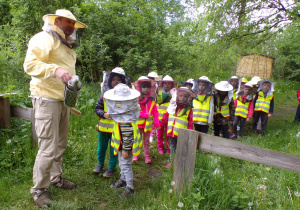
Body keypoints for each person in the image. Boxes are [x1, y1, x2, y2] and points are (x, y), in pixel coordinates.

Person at [23, 9, 87, 207]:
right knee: (48, 146)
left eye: (73, 24)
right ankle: (39, 190)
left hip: (63, 100)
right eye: (67, 22)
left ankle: (55, 178)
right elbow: (30, 65)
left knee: (60, 144)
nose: (71, 26)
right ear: (56, 21)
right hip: (45, 98)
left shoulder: (67, 46)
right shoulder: (44, 38)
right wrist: (55, 70)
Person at [104, 84, 142, 198]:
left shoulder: (126, 121)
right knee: (121, 163)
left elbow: (127, 136)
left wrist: (125, 149)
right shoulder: (124, 117)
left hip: (126, 147)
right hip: (122, 146)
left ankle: (130, 187)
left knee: (125, 165)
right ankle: (123, 180)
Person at [94, 67, 127, 178]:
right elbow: (97, 108)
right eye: (114, 79)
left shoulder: (125, 98)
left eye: (119, 80)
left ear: (123, 82)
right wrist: (104, 114)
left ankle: (111, 167)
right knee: (101, 147)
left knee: (114, 148)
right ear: (110, 81)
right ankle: (100, 164)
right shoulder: (105, 95)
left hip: (116, 129)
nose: (116, 82)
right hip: (103, 128)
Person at [132, 76, 160, 163]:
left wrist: (157, 123)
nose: (146, 89)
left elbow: (155, 112)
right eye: (144, 87)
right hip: (138, 124)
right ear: (140, 88)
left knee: (146, 141)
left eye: (148, 87)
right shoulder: (136, 100)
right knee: (137, 139)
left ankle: (146, 156)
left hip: (147, 125)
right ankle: (135, 155)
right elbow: (134, 111)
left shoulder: (152, 101)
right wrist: (144, 115)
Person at [166, 87, 195, 167]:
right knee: (172, 147)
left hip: (182, 134)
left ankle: (181, 162)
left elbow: (190, 122)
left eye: (185, 96)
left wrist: (190, 132)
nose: (183, 98)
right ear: (177, 96)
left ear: (188, 98)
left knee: (181, 148)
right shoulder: (172, 105)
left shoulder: (189, 109)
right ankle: (172, 162)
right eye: (181, 96)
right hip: (171, 131)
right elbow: (167, 115)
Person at [156, 75, 177, 154]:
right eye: (165, 83)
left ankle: (168, 148)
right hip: (159, 118)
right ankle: (160, 147)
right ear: (162, 84)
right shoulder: (158, 92)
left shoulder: (174, 93)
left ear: (171, 85)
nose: (167, 85)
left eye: (169, 83)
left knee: (168, 134)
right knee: (159, 134)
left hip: (169, 118)